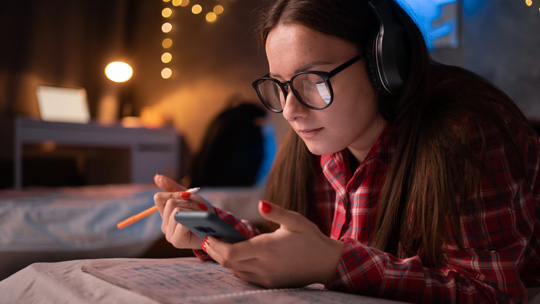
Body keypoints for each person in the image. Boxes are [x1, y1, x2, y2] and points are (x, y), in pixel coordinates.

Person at [153, 0, 540, 302]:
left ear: (383, 65)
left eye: (313, 80)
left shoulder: (468, 133)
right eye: (281, 85)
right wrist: (213, 232)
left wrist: (333, 264)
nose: (290, 110)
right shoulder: (318, 139)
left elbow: (492, 292)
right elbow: (297, 250)